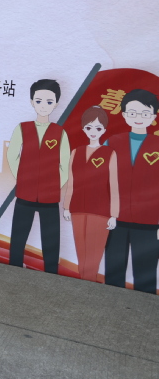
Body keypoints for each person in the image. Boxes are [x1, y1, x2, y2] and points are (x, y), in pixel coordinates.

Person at [6, 79, 70, 274]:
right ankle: (14, 268)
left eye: (49, 102)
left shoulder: (60, 132)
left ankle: (51, 272)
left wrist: (55, 184)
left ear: (56, 104)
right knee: (18, 236)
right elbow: (12, 155)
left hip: (50, 196)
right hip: (25, 193)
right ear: (32, 101)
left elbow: (65, 163)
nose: (43, 106)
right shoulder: (22, 128)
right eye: (39, 101)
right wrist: (23, 178)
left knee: (51, 239)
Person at [104, 89, 159, 294]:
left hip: (149, 222)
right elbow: (100, 181)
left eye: (145, 113)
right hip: (115, 220)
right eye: (133, 112)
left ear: (154, 116)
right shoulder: (112, 142)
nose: (138, 117)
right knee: (113, 274)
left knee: (146, 276)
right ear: (124, 114)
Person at [62, 106, 119, 282]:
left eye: (98, 128)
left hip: (100, 211)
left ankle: (89, 285)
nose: (93, 131)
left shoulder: (109, 153)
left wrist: (114, 214)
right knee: (81, 251)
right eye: (89, 127)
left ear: (104, 130)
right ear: (83, 128)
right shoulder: (76, 152)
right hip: (77, 208)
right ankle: (84, 284)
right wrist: (66, 207)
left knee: (94, 254)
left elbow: (114, 185)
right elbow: (71, 182)